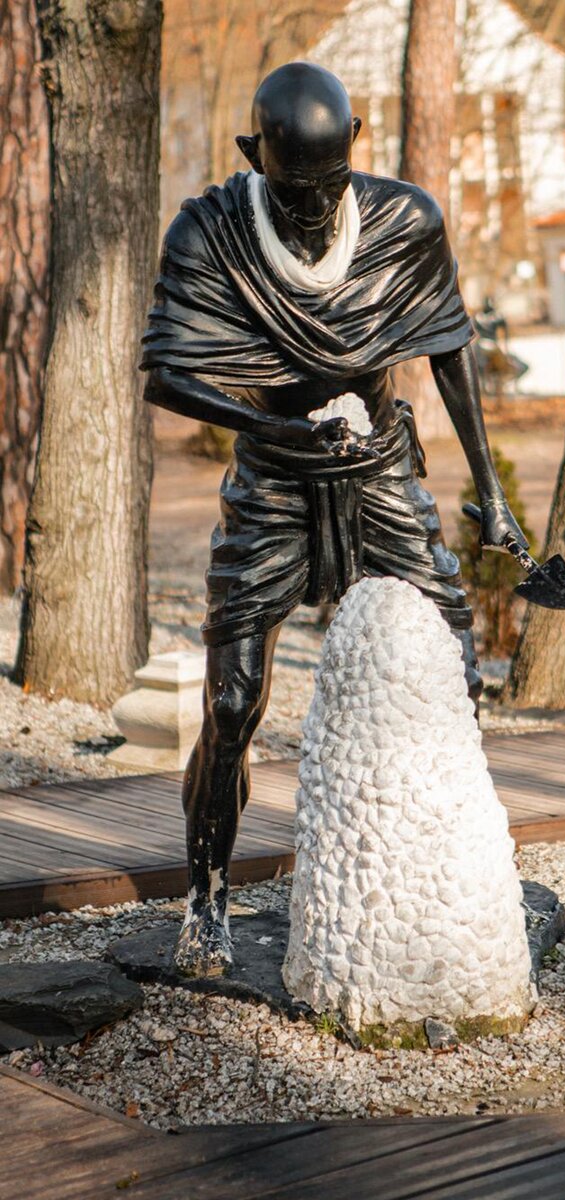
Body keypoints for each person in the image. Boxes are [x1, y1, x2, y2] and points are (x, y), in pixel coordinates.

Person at [142, 61, 527, 977]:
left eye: (329, 186)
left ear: (357, 148)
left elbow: (449, 349)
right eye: (292, 188)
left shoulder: (404, 221)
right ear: (254, 157)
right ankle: (205, 897)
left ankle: (442, 882)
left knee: (448, 671)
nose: (314, 208)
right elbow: (167, 372)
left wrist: (495, 494)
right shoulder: (212, 233)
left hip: (380, 470)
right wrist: (275, 419)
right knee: (232, 705)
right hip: (273, 479)